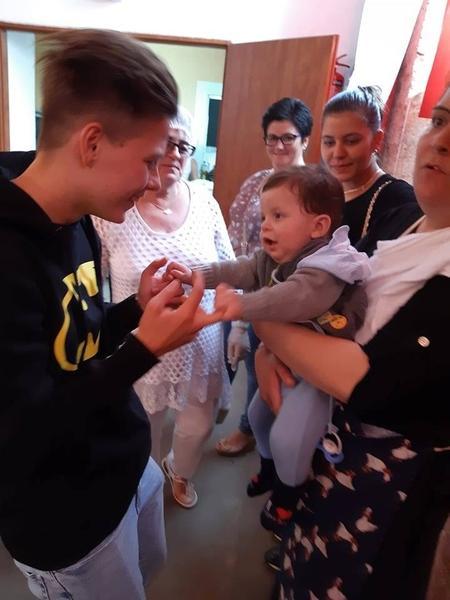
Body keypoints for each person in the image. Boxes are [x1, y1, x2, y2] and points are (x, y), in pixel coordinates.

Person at [0, 29, 222, 600]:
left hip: (122, 464)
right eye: (148, 160)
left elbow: (74, 339)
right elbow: (25, 432)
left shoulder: (72, 214)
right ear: (92, 143)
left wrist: (132, 311)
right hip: (64, 519)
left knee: (147, 572)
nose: (155, 178)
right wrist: (144, 350)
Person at [254, 85, 450, 600]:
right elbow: (334, 294)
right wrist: (272, 347)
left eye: (352, 140)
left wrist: (262, 322)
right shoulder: (411, 223)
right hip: (330, 449)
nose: (442, 140)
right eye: (439, 120)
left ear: (376, 139)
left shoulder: (394, 202)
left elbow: (367, 381)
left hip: (381, 487)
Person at [166, 164, 370, 536]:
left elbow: (295, 298)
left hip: (321, 375)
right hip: (290, 359)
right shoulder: (276, 257)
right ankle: (270, 469)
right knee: (259, 417)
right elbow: (241, 268)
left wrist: (242, 306)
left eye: (278, 216)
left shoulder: (327, 267)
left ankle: (287, 497)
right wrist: (198, 275)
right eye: (264, 217)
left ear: (318, 227)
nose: (265, 226)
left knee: (287, 436)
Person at [94, 107, 234, 510]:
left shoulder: (205, 203)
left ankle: (180, 470)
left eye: (183, 146)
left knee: (198, 424)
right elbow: (94, 285)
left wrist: (239, 326)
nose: (175, 153)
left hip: (201, 341)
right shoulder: (114, 212)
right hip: (143, 347)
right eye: (166, 144)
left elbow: (229, 266)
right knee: (145, 426)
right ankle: (147, 485)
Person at [218, 96, 313, 456]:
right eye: (272, 138)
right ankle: (236, 418)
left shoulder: (315, 188)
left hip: (285, 300)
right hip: (245, 288)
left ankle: (256, 434)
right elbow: (236, 238)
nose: (279, 146)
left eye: (288, 137)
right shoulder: (255, 183)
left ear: (305, 140)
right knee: (235, 359)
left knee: (270, 370)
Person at [321, 85, 421, 255]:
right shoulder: (317, 193)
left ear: (377, 140)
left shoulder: (400, 201)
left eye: (351, 141)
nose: (337, 153)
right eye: (329, 142)